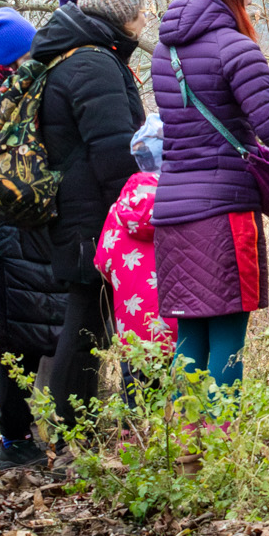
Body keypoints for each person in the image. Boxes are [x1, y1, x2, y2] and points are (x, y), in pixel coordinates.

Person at [152, 0, 269, 390]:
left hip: (173, 212)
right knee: (229, 336)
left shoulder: (165, 50)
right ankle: (223, 435)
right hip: (225, 212)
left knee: (189, 338)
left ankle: (185, 433)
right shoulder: (236, 48)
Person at [30, 0, 150, 425]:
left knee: (88, 321)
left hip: (81, 209)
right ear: (121, 15)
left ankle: (73, 427)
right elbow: (114, 149)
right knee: (86, 323)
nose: (146, 18)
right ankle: (69, 431)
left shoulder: (81, 54)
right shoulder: (93, 63)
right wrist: (134, 213)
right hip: (92, 215)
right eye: (141, 10)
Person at [0, 6, 70, 470]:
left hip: (16, 233)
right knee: (17, 341)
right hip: (8, 234)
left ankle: (24, 433)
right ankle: (14, 439)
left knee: (28, 334)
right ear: (10, 57)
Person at [94, 117, 176, 362]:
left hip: (132, 332)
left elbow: (102, 262)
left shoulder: (118, 209)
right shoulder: (181, 204)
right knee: (182, 381)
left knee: (136, 382)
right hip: (180, 329)